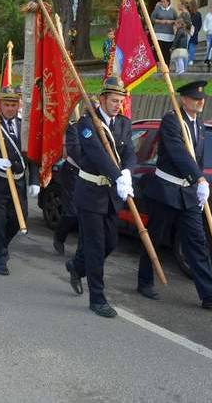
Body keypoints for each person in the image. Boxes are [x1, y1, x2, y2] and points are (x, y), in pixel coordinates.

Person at [138, 80, 212, 308]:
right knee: (154, 238)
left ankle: (208, 293)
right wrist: (199, 178)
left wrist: (198, 184)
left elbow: (197, 158)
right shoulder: (172, 121)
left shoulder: (198, 124)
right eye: (195, 98)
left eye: (202, 98)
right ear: (183, 99)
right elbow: (178, 153)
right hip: (166, 190)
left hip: (188, 193)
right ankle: (145, 281)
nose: (200, 102)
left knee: (197, 241)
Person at [65, 77, 136, 318]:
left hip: (111, 196)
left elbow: (129, 152)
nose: (118, 105)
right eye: (114, 101)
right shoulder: (87, 123)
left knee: (110, 243)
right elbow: (96, 154)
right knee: (95, 246)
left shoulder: (124, 123)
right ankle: (97, 298)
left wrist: (126, 171)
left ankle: (76, 266)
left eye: (121, 101)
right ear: (102, 99)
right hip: (91, 193)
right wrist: (118, 176)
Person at [0, 86, 40, 275]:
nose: (10, 108)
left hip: (18, 181)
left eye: (13, 104)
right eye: (6, 104)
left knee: (19, 219)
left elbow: (31, 156)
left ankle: (1, 244)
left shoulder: (23, 126)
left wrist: (34, 180)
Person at [52, 121, 81, 255]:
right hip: (74, 172)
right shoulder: (75, 127)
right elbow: (75, 151)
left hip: (93, 177)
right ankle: (59, 236)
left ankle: (83, 251)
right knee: (72, 212)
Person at [150, 0, 178, 66]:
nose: (163, 3)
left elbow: (177, 20)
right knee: (158, 50)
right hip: (158, 33)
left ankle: (166, 67)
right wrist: (160, 21)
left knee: (167, 52)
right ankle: (157, 65)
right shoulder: (157, 10)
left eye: (164, 2)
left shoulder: (173, 11)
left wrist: (171, 22)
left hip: (169, 35)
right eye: (161, 2)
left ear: (168, 2)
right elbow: (152, 19)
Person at [188, 0, 202, 66]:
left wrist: (195, 30)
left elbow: (199, 24)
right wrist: (197, 30)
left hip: (191, 32)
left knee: (191, 46)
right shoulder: (198, 14)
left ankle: (190, 60)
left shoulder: (191, 14)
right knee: (191, 46)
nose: (189, 7)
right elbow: (200, 24)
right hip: (194, 32)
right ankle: (190, 60)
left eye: (190, 5)